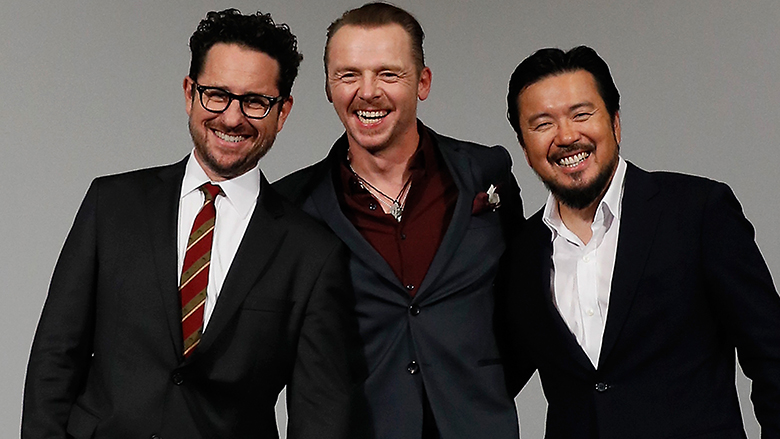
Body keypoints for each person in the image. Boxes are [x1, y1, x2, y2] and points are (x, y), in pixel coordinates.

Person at [22, 9, 361, 439]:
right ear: (189, 93)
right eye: (216, 94)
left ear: (282, 112)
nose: (232, 118)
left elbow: (321, 415)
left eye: (255, 102)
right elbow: (55, 358)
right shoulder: (111, 205)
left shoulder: (311, 253)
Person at [500, 45, 780, 438]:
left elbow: (772, 355)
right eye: (542, 124)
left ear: (615, 123)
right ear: (524, 148)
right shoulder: (520, 253)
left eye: (581, 114)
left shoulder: (698, 211)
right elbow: (485, 381)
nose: (566, 136)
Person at [274, 3, 523, 438]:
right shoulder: (290, 206)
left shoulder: (486, 173)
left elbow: (522, 307)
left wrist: (479, 390)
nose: (368, 92)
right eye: (348, 75)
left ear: (422, 82)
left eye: (388, 74)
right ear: (329, 87)